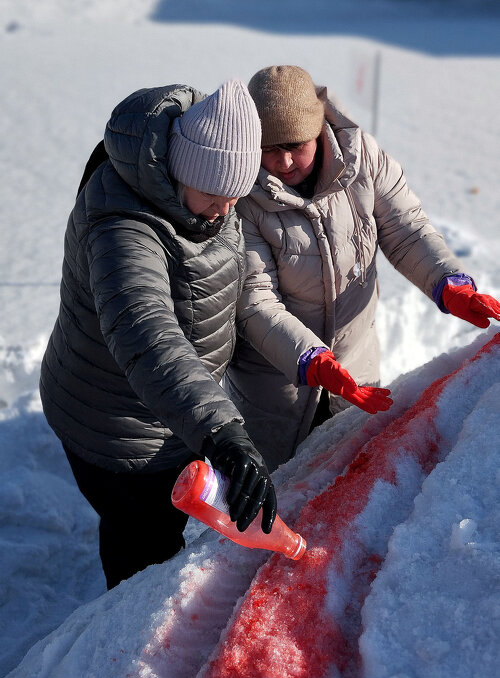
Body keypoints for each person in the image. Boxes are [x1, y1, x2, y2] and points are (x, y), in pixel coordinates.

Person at [39, 79, 278, 590]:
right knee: (142, 552)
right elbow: (148, 333)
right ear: (180, 173)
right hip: (115, 428)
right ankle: (124, 654)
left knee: (155, 533)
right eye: (216, 195)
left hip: (170, 417)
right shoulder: (122, 228)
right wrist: (223, 432)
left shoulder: (199, 203)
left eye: (236, 197)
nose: (225, 211)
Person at [223, 65, 500, 472]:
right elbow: (256, 299)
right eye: (268, 148)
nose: (282, 162)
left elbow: (406, 229)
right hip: (275, 382)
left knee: (349, 471)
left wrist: (447, 282)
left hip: (355, 362)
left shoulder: (361, 158)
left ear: (318, 131)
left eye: (296, 145)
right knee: (284, 481)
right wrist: (310, 358)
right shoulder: (240, 194)